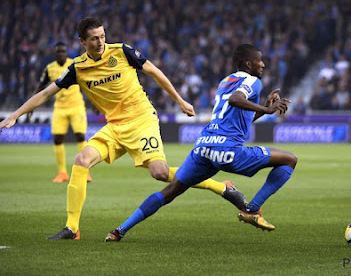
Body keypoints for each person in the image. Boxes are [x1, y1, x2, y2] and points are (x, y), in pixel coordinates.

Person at [0, 17, 246, 240]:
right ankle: (71, 228)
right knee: (82, 159)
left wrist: (179, 100)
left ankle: (221, 187)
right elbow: (45, 93)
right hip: (115, 126)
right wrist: (14, 116)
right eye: (94, 38)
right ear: (82, 42)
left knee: (159, 173)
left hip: (141, 120)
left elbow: (154, 72)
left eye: (102, 36)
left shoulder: (122, 51)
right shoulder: (77, 68)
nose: (100, 42)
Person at [105, 44, 297, 242]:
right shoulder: (252, 81)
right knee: (290, 159)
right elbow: (235, 100)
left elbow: (238, 119)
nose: (263, 64)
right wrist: (267, 111)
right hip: (227, 150)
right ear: (249, 64)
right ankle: (252, 209)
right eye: (259, 60)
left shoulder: (225, 81)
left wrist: (263, 107)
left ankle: (119, 230)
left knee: (170, 191)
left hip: (204, 147)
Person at [28, 42, 92, 183]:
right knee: (57, 138)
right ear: (55, 53)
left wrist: (94, 103)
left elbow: (88, 83)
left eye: (63, 51)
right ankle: (62, 173)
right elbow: (40, 87)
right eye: (58, 52)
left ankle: (85, 172)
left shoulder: (75, 64)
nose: (61, 54)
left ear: (66, 52)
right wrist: (31, 106)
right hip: (60, 108)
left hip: (76, 106)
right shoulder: (49, 68)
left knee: (81, 136)